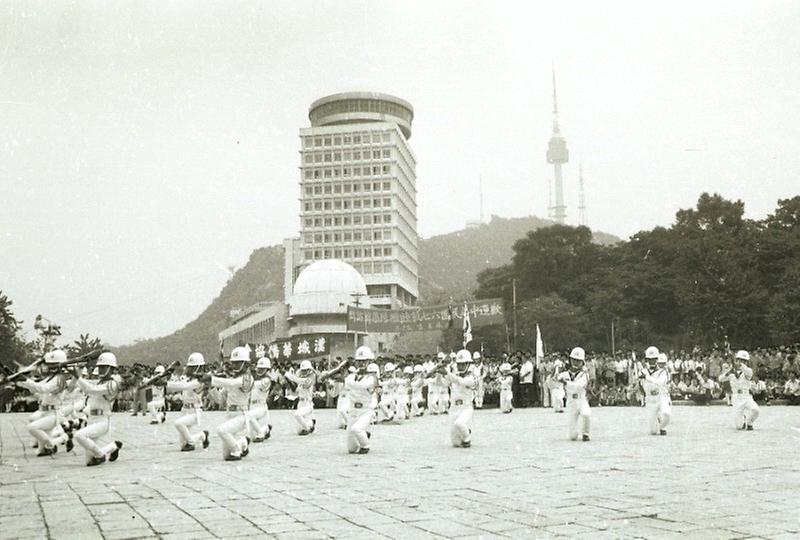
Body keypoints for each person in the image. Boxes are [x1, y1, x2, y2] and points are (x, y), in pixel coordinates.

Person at [17, 350, 73, 456]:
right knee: (41, 452)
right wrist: (19, 381)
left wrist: (26, 380)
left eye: (52, 365)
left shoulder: (59, 379)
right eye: (49, 364)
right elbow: (35, 388)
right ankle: (58, 440)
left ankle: (60, 440)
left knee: (32, 427)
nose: (49, 367)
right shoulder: (50, 377)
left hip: (54, 414)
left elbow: (43, 388)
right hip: (45, 413)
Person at [73, 352, 123, 466]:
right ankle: (113, 446)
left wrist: (77, 377)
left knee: (79, 435)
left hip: (102, 421)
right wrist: (76, 373)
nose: (100, 369)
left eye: (104, 367)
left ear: (111, 368)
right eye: (99, 367)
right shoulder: (100, 382)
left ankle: (101, 456)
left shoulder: (112, 384)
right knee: (89, 462)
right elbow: (85, 387)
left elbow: (92, 389)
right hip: (92, 419)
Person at [208, 346, 254, 461]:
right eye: (233, 363)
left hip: (241, 415)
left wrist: (212, 379)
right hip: (230, 415)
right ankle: (243, 442)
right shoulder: (231, 379)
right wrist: (210, 387)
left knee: (221, 430)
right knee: (226, 455)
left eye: (238, 363)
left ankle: (237, 450)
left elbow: (233, 383)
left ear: (246, 364)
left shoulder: (247, 378)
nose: (234, 366)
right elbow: (220, 400)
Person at [284, 358, 347, 435]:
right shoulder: (301, 381)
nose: (304, 371)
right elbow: (295, 393)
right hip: (300, 403)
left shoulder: (310, 379)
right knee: (299, 431)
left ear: (309, 370)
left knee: (297, 415)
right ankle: (311, 423)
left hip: (308, 404)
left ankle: (308, 427)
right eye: (303, 370)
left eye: (306, 370)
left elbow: (298, 380)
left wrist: (288, 375)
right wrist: (289, 382)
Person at [165, 352, 209, 452]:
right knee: (182, 445)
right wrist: (166, 375)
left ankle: (191, 443)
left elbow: (185, 386)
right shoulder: (187, 378)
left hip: (195, 411)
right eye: (190, 367)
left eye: (193, 367)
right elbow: (179, 383)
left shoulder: (200, 380)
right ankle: (202, 435)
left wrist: (166, 383)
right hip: (185, 410)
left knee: (178, 423)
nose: (190, 369)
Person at [344, 346, 379, 454]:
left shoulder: (372, 377)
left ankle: (365, 445)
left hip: (365, 410)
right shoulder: (352, 375)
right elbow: (348, 383)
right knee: (351, 449)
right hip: (353, 410)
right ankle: (364, 435)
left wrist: (354, 384)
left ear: (369, 361)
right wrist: (355, 384)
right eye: (359, 361)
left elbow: (362, 385)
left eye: (364, 361)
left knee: (356, 429)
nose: (362, 364)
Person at [719, 350, 760, 430]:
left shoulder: (748, 371)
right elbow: (721, 379)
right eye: (740, 360)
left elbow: (748, 373)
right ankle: (743, 420)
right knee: (739, 427)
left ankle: (749, 422)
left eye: (744, 361)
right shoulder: (731, 372)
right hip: (736, 397)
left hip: (746, 396)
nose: (742, 362)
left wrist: (740, 365)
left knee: (756, 410)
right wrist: (729, 372)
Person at [557, 347, 591, 441]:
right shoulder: (565, 373)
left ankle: (585, 433)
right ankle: (575, 433)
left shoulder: (584, 374)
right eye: (573, 360)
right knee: (572, 436)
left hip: (581, 399)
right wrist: (558, 375)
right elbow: (556, 379)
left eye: (578, 361)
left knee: (586, 414)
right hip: (571, 401)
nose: (575, 363)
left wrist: (566, 383)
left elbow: (579, 386)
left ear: (582, 362)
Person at [638, 347, 671, 435]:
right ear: (647, 360)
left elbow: (659, 383)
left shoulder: (662, 372)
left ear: (657, 359)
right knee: (653, 432)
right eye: (649, 360)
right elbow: (640, 385)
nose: (651, 362)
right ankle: (657, 420)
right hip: (650, 399)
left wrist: (647, 377)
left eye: (653, 359)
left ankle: (662, 426)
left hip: (661, 396)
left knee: (667, 414)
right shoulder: (643, 371)